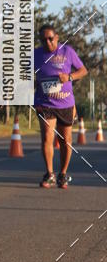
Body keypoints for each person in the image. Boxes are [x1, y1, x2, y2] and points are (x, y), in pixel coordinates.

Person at [34, 24, 87, 189]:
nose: (47, 42)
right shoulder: (35, 54)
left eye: (50, 38)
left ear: (57, 37)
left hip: (65, 103)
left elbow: (83, 70)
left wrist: (69, 77)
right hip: (45, 103)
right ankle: (49, 174)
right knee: (47, 136)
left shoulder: (67, 51)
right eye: (43, 40)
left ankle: (62, 174)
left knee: (66, 140)